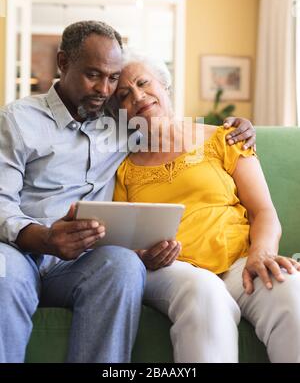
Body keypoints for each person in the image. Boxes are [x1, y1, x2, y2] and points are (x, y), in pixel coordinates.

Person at [0, 20, 255, 363]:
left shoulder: (122, 124)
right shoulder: (19, 119)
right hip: (22, 250)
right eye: (93, 75)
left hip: (80, 261)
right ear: (63, 63)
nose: (104, 89)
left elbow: (170, 128)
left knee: (122, 265)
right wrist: (44, 238)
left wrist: (238, 126)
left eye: (111, 78)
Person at [113, 50, 300, 363]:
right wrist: (143, 256)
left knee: (290, 291)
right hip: (172, 268)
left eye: (144, 83)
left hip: (241, 259)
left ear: (165, 85)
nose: (138, 95)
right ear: (119, 111)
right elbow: (122, 239)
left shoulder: (225, 138)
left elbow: (263, 211)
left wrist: (262, 253)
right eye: (124, 94)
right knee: (205, 296)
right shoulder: (124, 168)